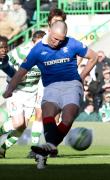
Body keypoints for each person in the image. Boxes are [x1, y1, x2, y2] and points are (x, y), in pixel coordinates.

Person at [3, 20, 98, 169]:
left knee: (69, 115)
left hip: (72, 85)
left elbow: (94, 56)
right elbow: (22, 71)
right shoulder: (37, 50)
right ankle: (47, 149)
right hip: (51, 87)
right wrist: (9, 89)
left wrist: (82, 76)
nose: (57, 43)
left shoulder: (72, 43)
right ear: (49, 30)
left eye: (61, 40)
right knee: (47, 112)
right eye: (54, 38)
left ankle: (46, 148)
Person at [27, 8, 67, 159]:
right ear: (49, 22)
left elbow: (78, 54)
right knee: (39, 113)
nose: (57, 23)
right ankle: (36, 147)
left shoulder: (66, 39)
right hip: (44, 82)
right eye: (55, 20)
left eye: (60, 21)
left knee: (55, 115)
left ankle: (51, 146)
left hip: (61, 82)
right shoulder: (43, 39)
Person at [0, 30, 46, 158]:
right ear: (32, 42)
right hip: (16, 92)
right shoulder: (20, 52)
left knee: (22, 127)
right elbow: (6, 63)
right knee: (18, 123)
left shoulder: (46, 56)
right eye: (37, 44)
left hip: (31, 94)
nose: (39, 46)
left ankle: (2, 150)